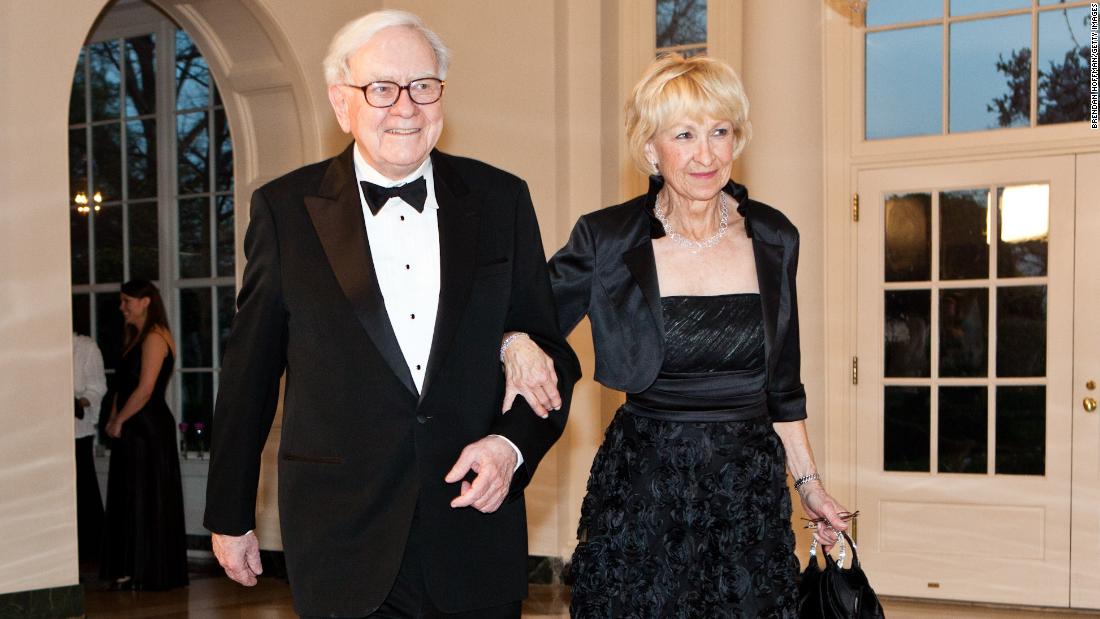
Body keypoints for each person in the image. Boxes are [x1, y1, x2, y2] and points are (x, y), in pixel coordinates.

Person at [203, 10, 579, 618]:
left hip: (473, 534)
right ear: (340, 103)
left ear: (441, 97)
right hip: (341, 537)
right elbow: (249, 372)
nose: (405, 106)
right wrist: (229, 513)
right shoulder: (284, 211)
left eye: (423, 86)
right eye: (380, 88)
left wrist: (511, 448)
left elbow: (550, 352)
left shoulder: (501, 198)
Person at [500, 53, 852, 617]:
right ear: (650, 149)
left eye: (720, 132)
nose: (706, 154)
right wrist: (514, 342)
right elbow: (525, 312)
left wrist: (810, 486)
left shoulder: (774, 236)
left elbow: (783, 385)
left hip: (746, 491)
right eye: (684, 134)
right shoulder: (608, 238)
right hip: (645, 487)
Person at [100, 279, 188, 590]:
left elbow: (146, 390)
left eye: (127, 301)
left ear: (145, 301)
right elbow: (121, 388)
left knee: (144, 496)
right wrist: (113, 418)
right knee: (128, 496)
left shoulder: (155, 337)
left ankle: (147, 569)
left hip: (147, 428)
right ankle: (128, 566)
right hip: (132, 425)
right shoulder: (135, 337)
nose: (122, 307)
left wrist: (120, 420)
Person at [73, 331, 107, 564]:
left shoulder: (85, 346)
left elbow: (97, 388)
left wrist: (75, 402)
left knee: (82, 492)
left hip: (77, 431)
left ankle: (88, 554)